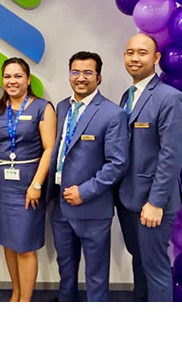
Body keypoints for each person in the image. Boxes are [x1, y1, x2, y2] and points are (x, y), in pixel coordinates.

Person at [49, 51, 130, 302]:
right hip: (60, 205)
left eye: (87, 73)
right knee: (67, 270)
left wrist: (83, 192)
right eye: (75, 72)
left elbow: (117, 164)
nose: (80, 78)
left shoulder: (112, 113)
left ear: (99, 77)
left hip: (92, 207)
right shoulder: (62, 107)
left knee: (95, 275)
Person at [115, 33, 182, 302]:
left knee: (155, 268)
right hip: (128, 198)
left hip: (152, 202)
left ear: (156, 58)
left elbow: (171, 155)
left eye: (142, 53)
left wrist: (156, 202)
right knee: (139, 261)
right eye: (129, 52)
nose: (135, 58)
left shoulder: (170, 98)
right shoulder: (128, 95)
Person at [0, 58, 54, 303]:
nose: (12, 81)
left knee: (25, 245)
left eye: (17, 76)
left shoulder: (42, 108)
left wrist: (36, 185)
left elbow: (49, 149)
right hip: (2, 185)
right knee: (9, 241)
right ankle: (15, 293)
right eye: (7, 76)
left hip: (28, 184)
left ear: (28, 79)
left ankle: (25, 301)